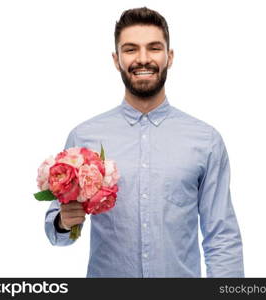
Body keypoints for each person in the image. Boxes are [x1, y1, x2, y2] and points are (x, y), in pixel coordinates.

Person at [45, 7, 244, 278]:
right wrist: (63, 222)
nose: (142, 59)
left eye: (153, 48)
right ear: (116, 59)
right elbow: (58, 234)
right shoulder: (84, 138)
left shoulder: (206, 141)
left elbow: (221, 236)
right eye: (130, 49)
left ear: (169, 57)